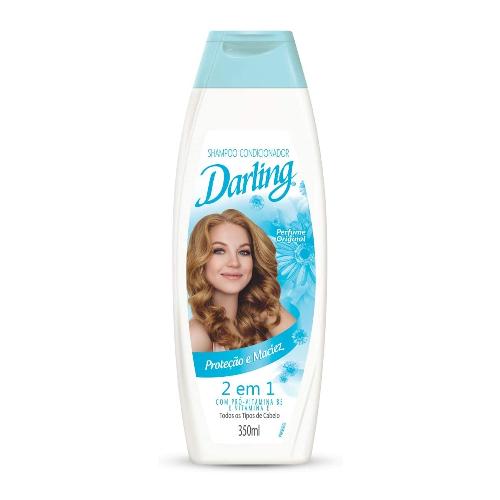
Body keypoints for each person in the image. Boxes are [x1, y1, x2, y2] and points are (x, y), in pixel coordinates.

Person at [187, 209, 296, 351]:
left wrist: (268, 306)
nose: (234, 263)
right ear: (200, 260)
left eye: (244, 252)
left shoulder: (257, 322)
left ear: (254, 261)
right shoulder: (197, 336)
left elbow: (301, 347)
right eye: (219, 251)